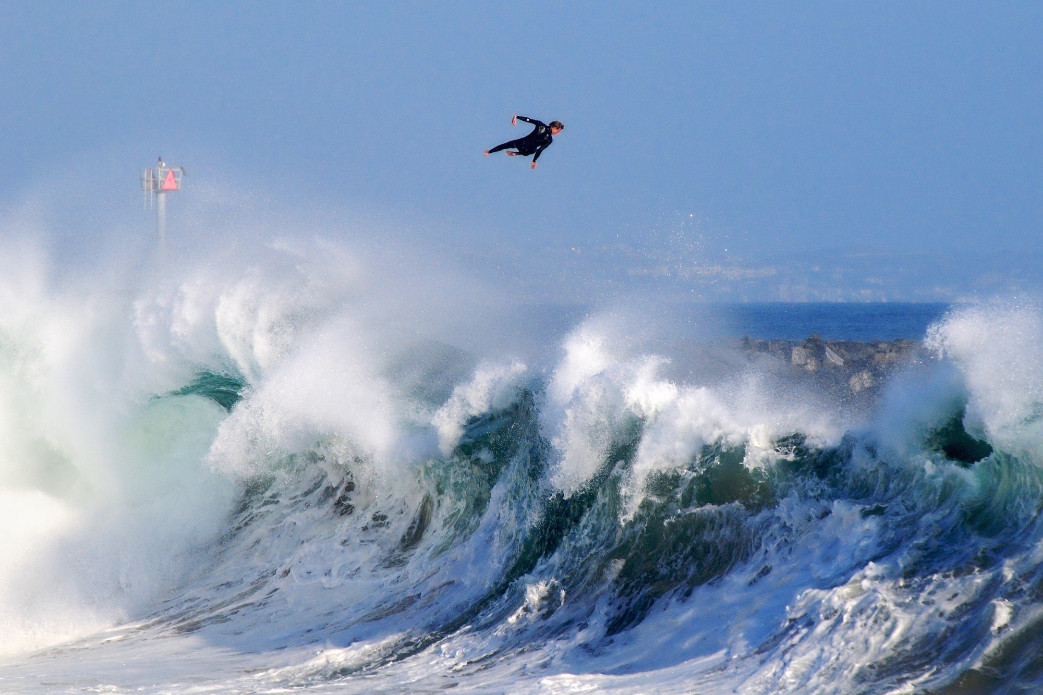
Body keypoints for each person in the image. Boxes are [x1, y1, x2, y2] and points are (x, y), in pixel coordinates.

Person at [485, 116, 564, 169]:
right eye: (558, 131)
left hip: (521, 142)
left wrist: (516, 117)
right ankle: (518, 153)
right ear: (554, 128)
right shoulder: (549, 139)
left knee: (505, 145)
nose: (557, 133)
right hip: (527, 150)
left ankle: (489, 152)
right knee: (534, 150)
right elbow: (540, 150)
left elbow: (528, 119)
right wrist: (534, 161)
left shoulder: (540, 124)